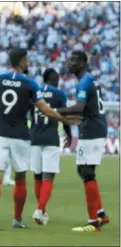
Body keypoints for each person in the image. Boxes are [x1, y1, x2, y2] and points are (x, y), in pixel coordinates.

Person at [0, 48, 81, 230]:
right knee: (20, 178)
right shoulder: (29, 84)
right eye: (26, 60)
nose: (28, 63)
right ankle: (17, 219)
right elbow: (45, 109)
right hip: (20, 136)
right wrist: (64, 119)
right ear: (20, 61)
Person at [56, 51, 109, 232]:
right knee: (84, 170)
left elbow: (79, 108)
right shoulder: (88, 80)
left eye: (73, 60)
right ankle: (101, 214)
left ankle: (93, 222)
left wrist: (56, 111)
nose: (69, 63)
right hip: (95, 128)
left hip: (92, 131)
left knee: (87, 172)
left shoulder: (85, 81)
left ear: (82, 63)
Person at [30, 68, 72, 225]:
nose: (59, 80)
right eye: (57, 78)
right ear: (52, 79)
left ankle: (42, 211)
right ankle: (40, 209)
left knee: (37, 175)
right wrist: (69, 133)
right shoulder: (59, 94)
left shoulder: (34, 91)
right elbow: (64, 115)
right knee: (48, 176)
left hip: (34, 137)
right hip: (51, 138)